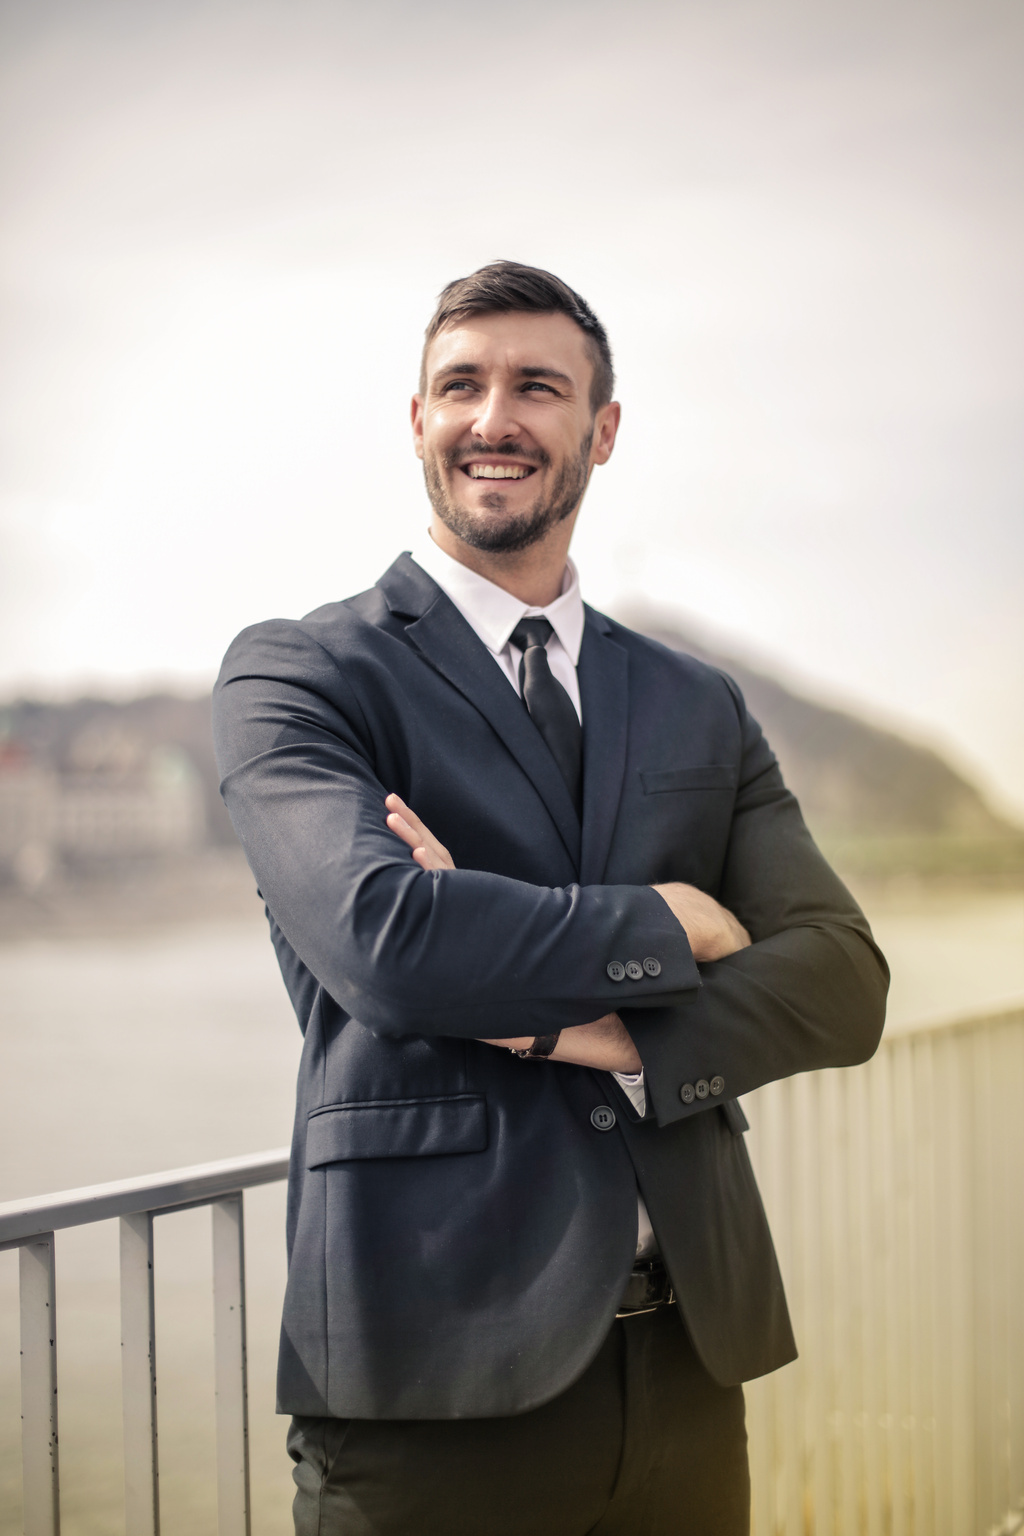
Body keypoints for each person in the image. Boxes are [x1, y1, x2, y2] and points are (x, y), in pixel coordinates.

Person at [212, 260, 888, 1535]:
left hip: (691, 1361)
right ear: (416, 421)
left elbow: (843, 983)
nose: (493, 418)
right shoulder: (300, 673)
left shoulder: (697, 699)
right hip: (431, 1377)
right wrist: (672, 922)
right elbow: (390, 944)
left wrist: (558, 1019)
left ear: (603, 429)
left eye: (537, 386)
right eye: (459, 386)